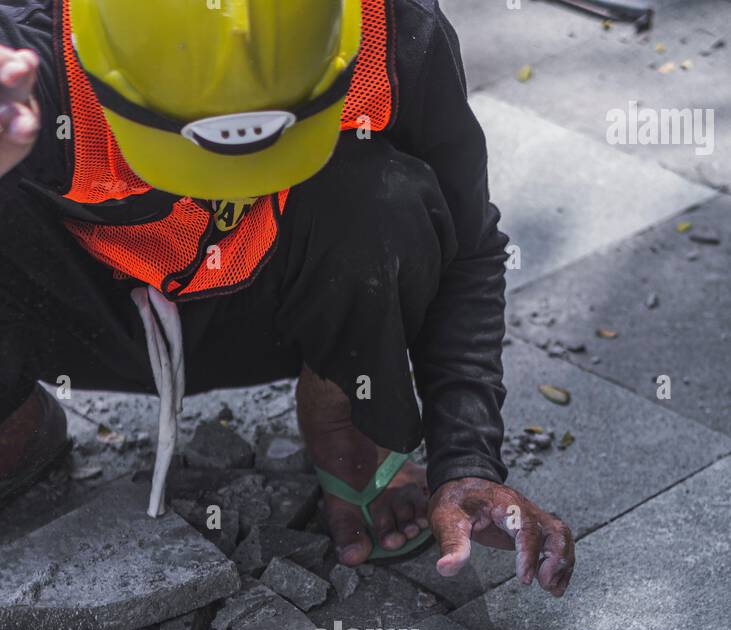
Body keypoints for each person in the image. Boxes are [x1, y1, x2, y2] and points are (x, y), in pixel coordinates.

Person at [0, 0, 574, 591]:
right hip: (81, 316)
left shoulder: (391, 28)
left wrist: (468, 458)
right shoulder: (28, 56)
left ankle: (346, 417)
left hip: (274, 309)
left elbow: (468, 247)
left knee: (387, 199)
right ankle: (12, 420)